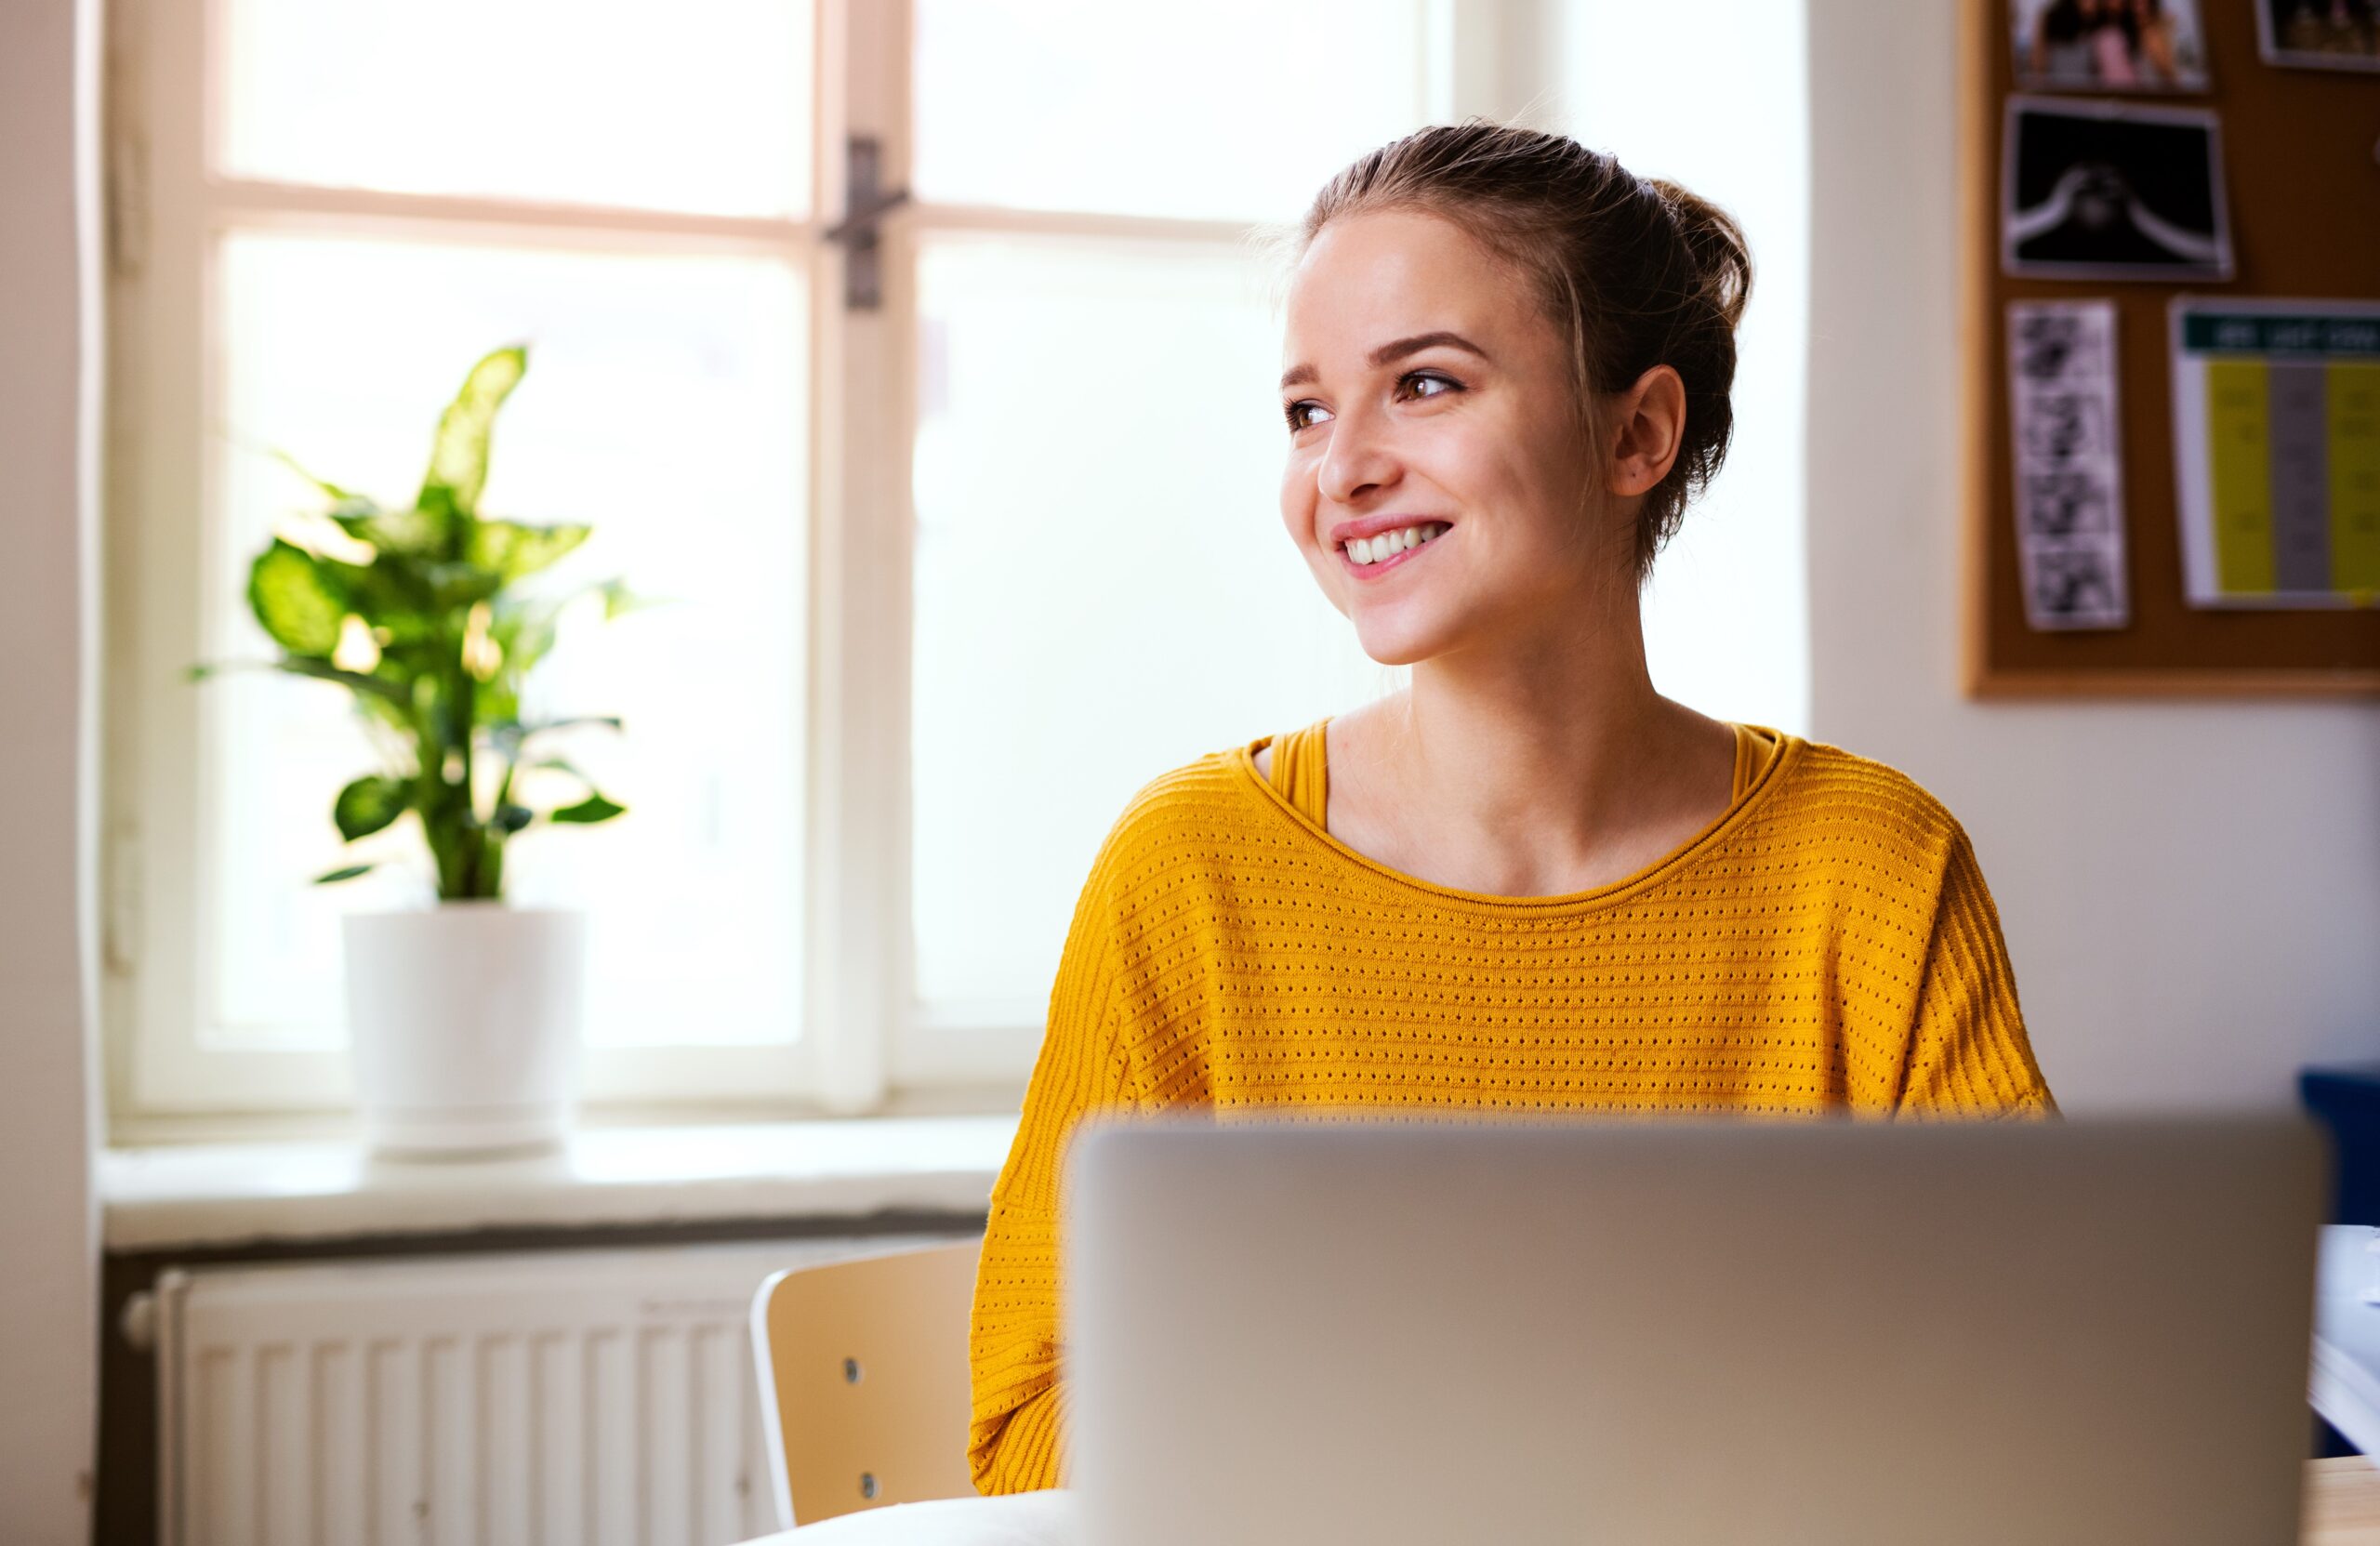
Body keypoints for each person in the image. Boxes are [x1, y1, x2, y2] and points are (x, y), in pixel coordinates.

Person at [964, 121, 2057, 1499]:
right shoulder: (1189, 872)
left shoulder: (1875, 871)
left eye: (1422, 384)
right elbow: (1028, 1427)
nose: (1341, 469)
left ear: (1636, 432)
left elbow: (2031, 1387)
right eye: (1306, 410)